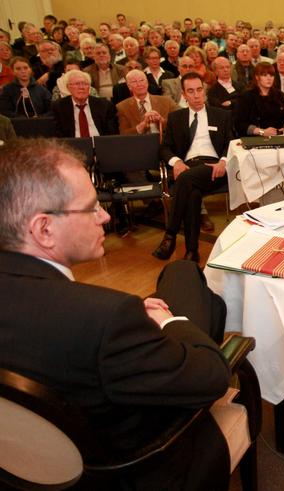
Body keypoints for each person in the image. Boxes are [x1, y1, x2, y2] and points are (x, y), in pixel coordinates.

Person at [0, 138, 241, 489]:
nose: (105, 215)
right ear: (44, 229)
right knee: (190, 291)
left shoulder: (96, 313)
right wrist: (166, 323)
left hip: (22, 466)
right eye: (90, 207)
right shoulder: (104, 320)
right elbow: (213, 378)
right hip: (139, 467)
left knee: (182, 278)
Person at [152, 73, 233, 263]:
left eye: (199, 90)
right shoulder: (176, 117)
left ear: (204, 91)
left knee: (184, 180)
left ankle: (170, 235)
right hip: (188, 167)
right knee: (192, 193)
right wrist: (176, 162)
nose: (196, 95)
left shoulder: (222, 115)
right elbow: (164, 147)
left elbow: (231, 142)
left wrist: (223, 161)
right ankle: (191, 251)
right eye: (191, 91)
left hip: (214, 168)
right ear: (184, 94)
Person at [51, 69, 117, 137]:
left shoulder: (104, 105)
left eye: (85, 84)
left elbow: (112, 133)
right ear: (68, 88)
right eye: (77, 84)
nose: (81, 87)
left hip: (100, 143)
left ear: (89, 88)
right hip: (72, 145)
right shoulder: (59, 107)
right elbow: (58, 135)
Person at [233, 61, 284, 137]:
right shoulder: (246, 96)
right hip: (255, 139)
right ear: (257, 77)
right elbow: (239, 124)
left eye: (271, 75)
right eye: (264, 75)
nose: (269, 78)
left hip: (279, 136)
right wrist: (262, 132)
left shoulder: (279, 95)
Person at [117, 68, 178, 134]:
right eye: (134, 82)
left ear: (147, 82)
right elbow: (123, 133)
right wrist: (141, 126)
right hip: (139, 142)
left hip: (163, 141)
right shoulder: (122, 107)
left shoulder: (166, 101)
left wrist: (161, 121)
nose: (139, 84)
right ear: (129, 86)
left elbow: (179, 121)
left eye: (142, 80)